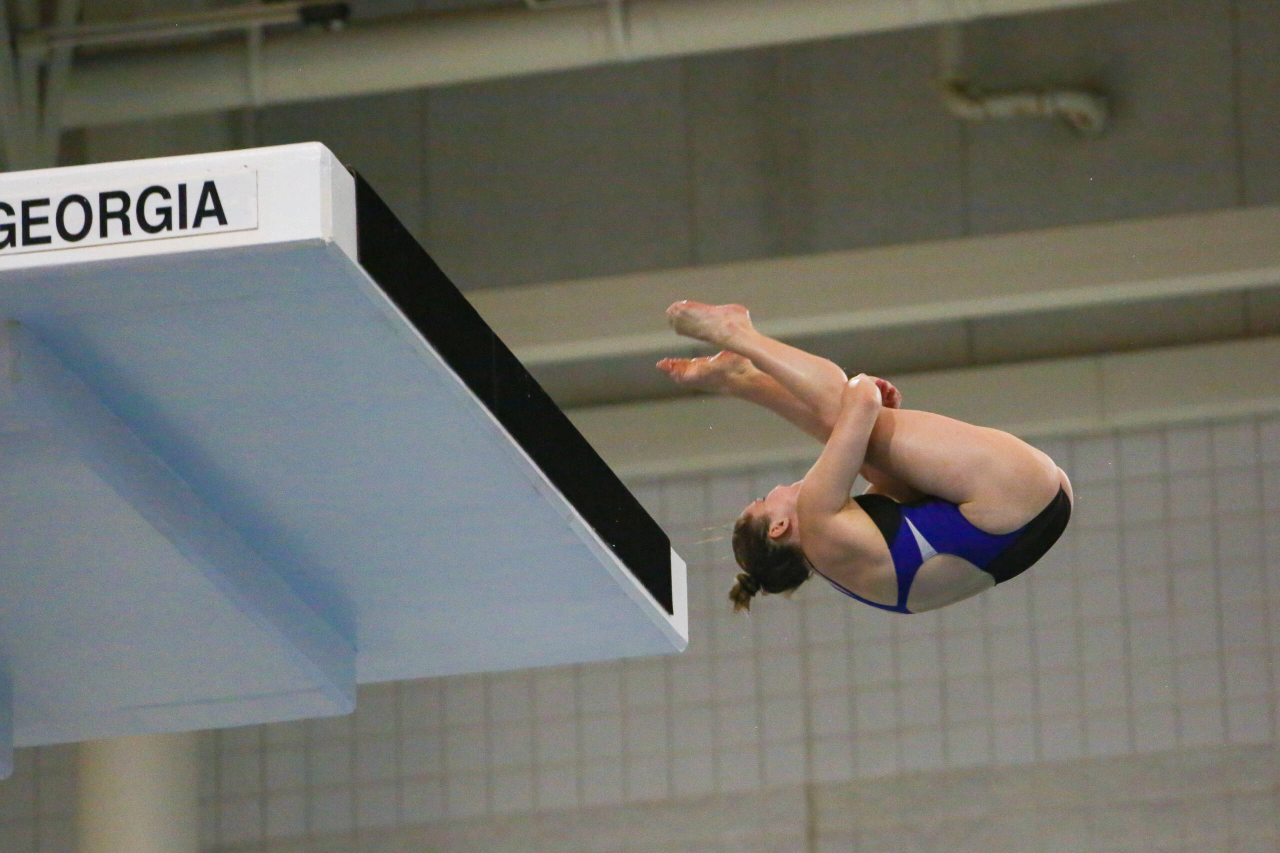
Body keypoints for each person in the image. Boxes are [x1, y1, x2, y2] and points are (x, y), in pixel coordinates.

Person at [656, 301, 1072, 614]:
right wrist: (864, 394)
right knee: (844, 411)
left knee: (860, 440)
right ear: (779, 527)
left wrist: (878, 424)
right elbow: (860, 398)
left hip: (1038, 516)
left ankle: (741, 379)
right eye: (765, 500)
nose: (777, 488)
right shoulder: (815, 518)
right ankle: (736, 334)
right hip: (1012, 493)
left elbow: (901, 490)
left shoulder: (845, 562)